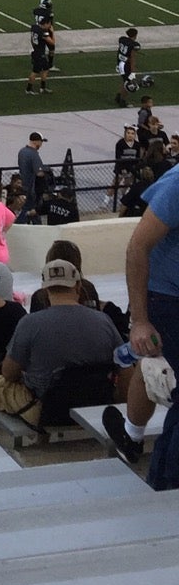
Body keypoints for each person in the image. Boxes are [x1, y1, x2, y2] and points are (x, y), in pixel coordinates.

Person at [0, 259, 119, 442]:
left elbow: (8, 373)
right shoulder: (104, 321)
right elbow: (125, 368)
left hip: (45, 409)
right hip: (95, 404)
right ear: (78, 286)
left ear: (45, 290)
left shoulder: (30, 323)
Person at [106, 160, 179, 466]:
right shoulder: (176, 184)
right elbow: (137, 246)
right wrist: (140, 321)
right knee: (151, 360)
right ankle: (162, 474)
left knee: (148, 361)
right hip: (167, 298)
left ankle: (131, 437)